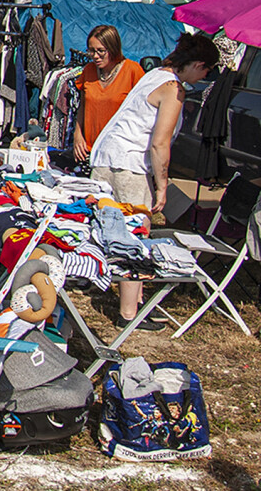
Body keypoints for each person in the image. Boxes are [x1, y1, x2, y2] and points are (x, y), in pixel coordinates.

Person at [90, 32, 219, 330]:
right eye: (206, 71)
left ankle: (122, 298)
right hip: (130, 166)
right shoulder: (173, 88)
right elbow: (160, 143)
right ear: (198, 64)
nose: (205, 77)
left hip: (106, 157)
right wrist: (162, 186)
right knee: (135, 235)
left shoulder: (153, 75)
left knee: (109, 228)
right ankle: (129, 313)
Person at [73, 25, 143, 165]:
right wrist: (78, 135)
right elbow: (83, 107)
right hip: (89, 151)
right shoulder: (89, 70)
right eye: (91, 51)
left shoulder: (132, 71)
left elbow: (142, 114)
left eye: (101, 51)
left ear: (113, 48)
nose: (95, 56)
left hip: (120, 154)